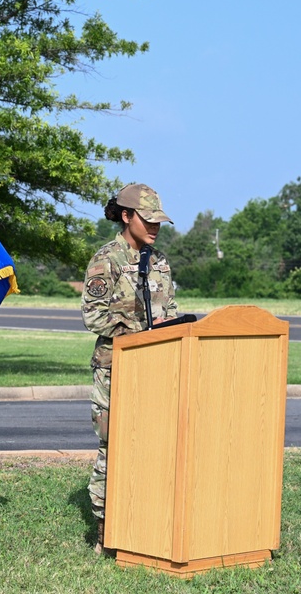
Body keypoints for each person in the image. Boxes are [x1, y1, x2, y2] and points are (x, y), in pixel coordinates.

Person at [81, 183, 178, 556]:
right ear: (126, 216)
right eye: (148, 219)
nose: (155, 227)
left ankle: (148, 525)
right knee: (115, 448)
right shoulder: (107, 260)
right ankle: (107, 533)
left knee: (155, 447)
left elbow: (168, 314)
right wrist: (138, 337)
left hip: (157, 369)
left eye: (159, 221)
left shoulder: (160, 261)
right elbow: (94, 316)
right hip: (116, 368)